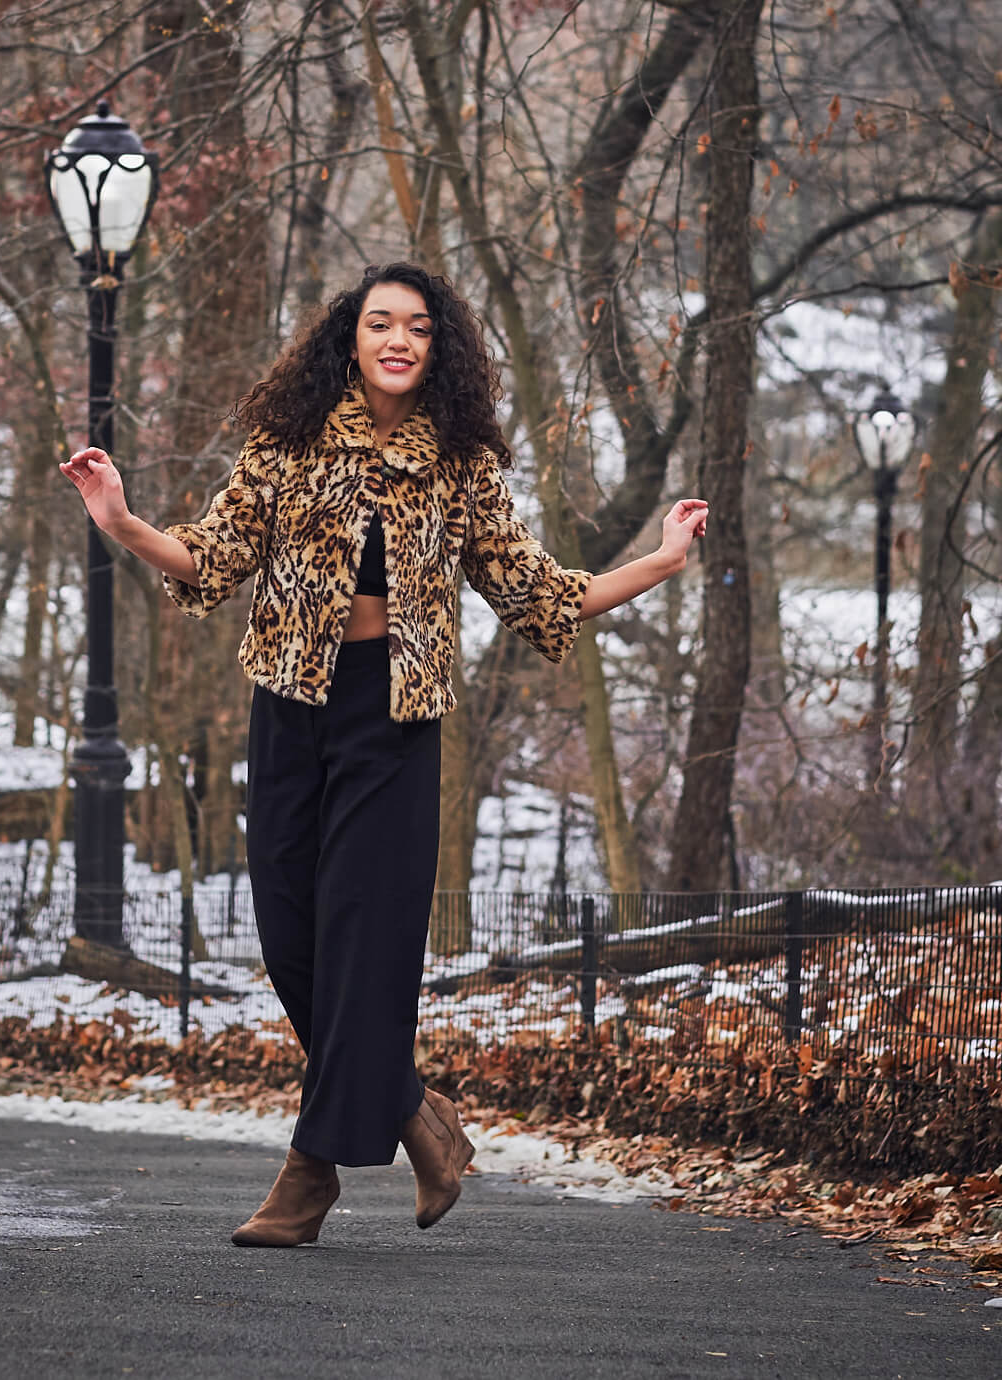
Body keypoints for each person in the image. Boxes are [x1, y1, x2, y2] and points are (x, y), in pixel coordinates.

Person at [60, 261, 707, 1248]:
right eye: (380, 323)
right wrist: (122, 521)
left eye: (416, 326)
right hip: (288, 706)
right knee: (289, 934)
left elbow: (539, 593)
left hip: (395, 720)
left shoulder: (457, 462)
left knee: (365, 945)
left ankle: (307, 1176)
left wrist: (659, 563)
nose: (398, 338)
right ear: (349, 339)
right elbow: (214, 557)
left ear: (436, 346)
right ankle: (415, 1117)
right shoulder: (284, 441)